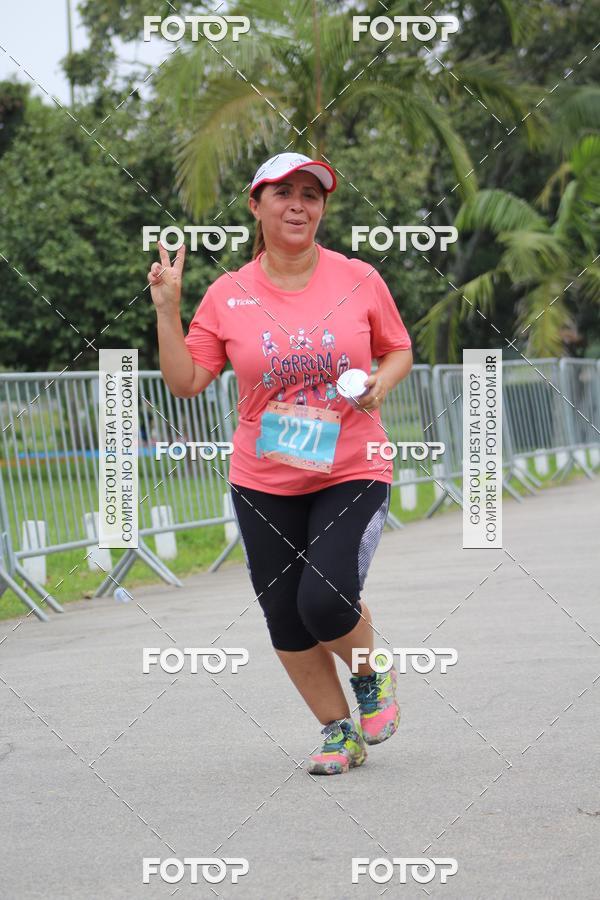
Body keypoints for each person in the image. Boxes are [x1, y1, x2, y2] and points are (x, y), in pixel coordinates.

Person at [148, 152, 413, 775]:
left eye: (311, 195)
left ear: (322, 208)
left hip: (353, 463)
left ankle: (372, 673)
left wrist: (382, 382)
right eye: (284, 192)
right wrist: (167, 310)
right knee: (285, 614)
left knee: (323, 602)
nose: (299, 204)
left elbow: (398, 348)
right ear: (256, 204)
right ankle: (337, 732)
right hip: (263, 478)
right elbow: (186, 381)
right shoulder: (228, 294)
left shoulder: (357, 278)